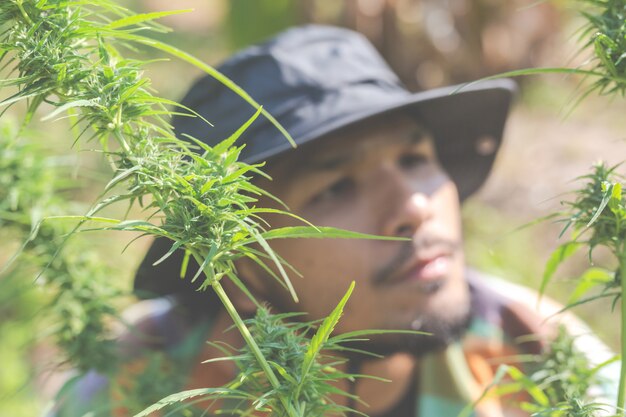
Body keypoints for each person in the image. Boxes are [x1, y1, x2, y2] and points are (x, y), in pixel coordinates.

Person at [51, 25, 616, 417]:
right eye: (336, 187)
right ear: (236, 272)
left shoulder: (545, 357)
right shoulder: (130, 389)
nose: (415, 209)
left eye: (415, 159)